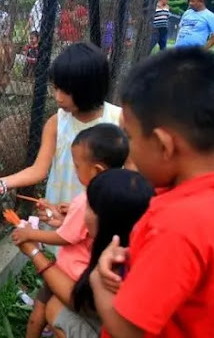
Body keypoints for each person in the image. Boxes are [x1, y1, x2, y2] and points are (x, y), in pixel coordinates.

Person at [91, 48, 214, 338]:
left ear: (163, 145)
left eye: (131, 137)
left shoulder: (176, 225)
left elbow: (127, 330)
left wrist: (97, 279)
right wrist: (135, 256)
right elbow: (189, 270)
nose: (128, 147)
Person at [12, 124, 131, 338]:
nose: (75, 171)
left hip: (69, 277)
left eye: (76, 166)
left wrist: (30, 235)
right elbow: (81, 232)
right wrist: (62, 219)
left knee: (39, 312)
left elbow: (66, 237)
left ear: (96, 170)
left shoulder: (88, 200)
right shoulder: (114, 199)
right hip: (83, 278)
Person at [0, 42, 122, 207]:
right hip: (57, 212)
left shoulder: (119, 120)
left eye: (66, 91)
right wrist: (2, 183)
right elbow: (38, 170)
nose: (58, 97)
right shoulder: (56, 123)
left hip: (99, 214)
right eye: (56, 88)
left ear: (90, 88)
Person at [15, 169, 154, 338]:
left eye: (87, 207)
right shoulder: (132, 244)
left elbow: (79, 302)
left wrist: (34, 252)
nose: (79, 213)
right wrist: (66, 222)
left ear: (105, 219)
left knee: (54, 308)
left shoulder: (114, 271)